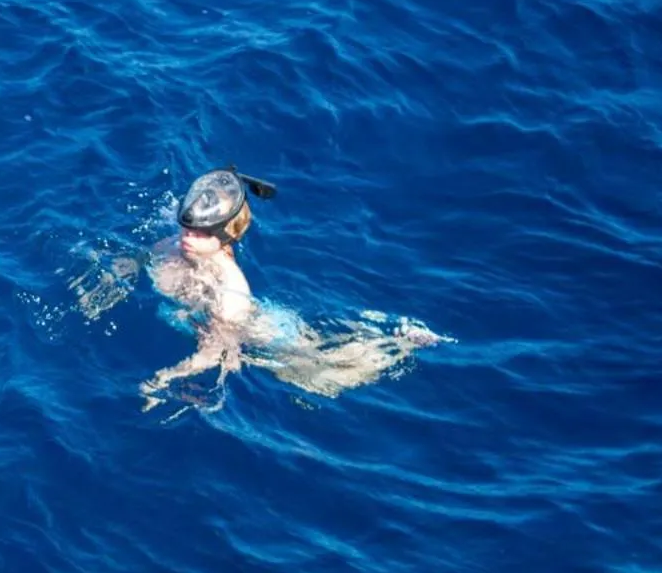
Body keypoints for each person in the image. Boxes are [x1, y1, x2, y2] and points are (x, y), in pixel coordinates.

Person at [138, 167, 444, 408]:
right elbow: (143, 258)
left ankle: (399, 344)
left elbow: (216, 351)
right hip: (257, 320)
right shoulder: (176, 244)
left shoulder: (229, 291)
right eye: (187, 228)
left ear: (225, 236)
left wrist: (164, 378)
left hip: (269, 338)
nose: (189, 237)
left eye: (202, 233)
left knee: (323, 373)